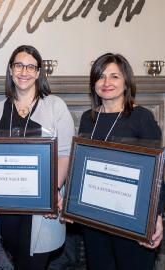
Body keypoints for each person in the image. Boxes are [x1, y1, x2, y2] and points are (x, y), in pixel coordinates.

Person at [0, 45, 75, 269]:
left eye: (31, 66)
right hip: (5, 208)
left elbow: (64, 154)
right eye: (19, 65)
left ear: (39, 72)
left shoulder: (55, 106)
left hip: (41, 210)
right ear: (11, 70)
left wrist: (50, 193)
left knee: (33, 263)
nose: (24, 71)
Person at [79, 52, 164, 270]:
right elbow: (81, 167)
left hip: (132, 221)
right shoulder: (87, 119)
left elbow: (157, 173)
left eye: (114, 76)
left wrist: (157, 216)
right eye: (101, 76)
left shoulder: (141, 117)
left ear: (126, 82)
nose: (106, 82)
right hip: (95, 219)